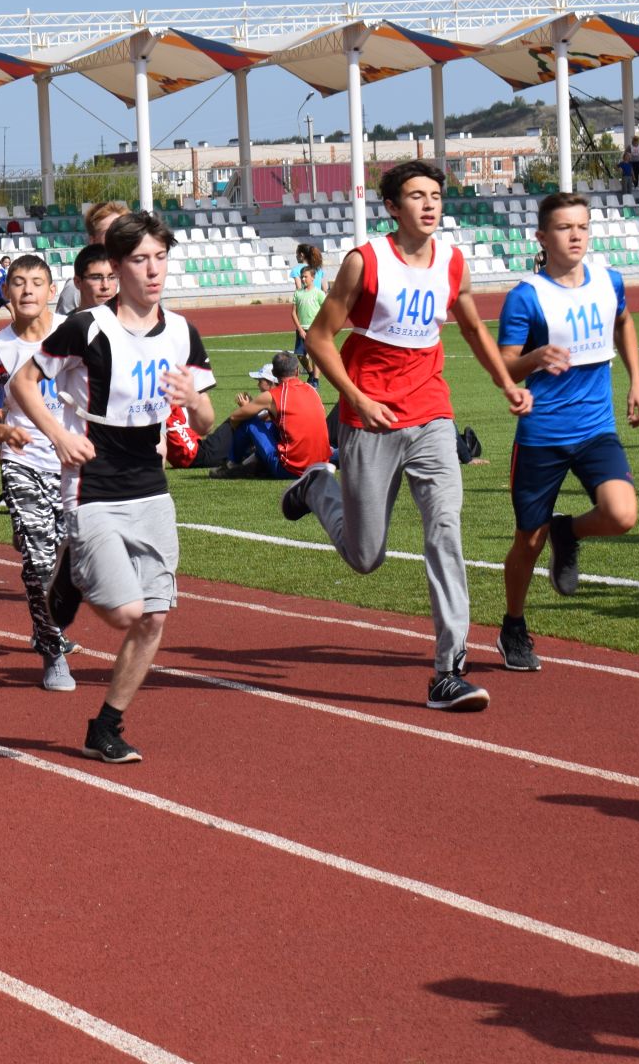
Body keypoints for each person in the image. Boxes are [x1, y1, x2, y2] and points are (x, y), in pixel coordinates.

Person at [280, 159, 532, 712]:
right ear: (393, 207)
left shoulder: (452, 262)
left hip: (431, 414)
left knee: (445, 528)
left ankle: (449, 670)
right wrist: (358, 398)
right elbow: (321, 340)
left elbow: (471, 327)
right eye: (416, 196)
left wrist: (506, 381)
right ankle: (317, 486)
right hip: (370, 419)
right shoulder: (363, 264)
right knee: (366, 556)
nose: (429, 204)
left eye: (435, 195)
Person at [8, 212, 216, 763]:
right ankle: (73, 569)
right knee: (125, 613)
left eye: (161, 258)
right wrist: (56, 435)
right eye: (141, 260)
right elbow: (22, 382)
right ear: (119, 267)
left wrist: (193, 400)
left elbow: (207, 424)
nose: (154, 270)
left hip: (150, 486)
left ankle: (106, 725)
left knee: (154, 618)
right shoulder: (88, 327)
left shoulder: (181, 332)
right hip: (93, 480)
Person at [493, 192, 639, 672]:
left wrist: (637, 382)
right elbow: (503, 367)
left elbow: (622, 322)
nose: (576, 234)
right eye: (564, 227)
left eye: (582, 226)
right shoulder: (527, 296)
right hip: (542, 434)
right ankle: (513, 626)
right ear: (542, 237)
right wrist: (535, 358)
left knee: (622, 514)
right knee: (527, 541)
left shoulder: (609, 282)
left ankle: (569, 529)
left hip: (595, 428)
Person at [0, 254, 76, 690]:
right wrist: (3, 434)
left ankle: (42, 612)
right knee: (39, 558)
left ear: (52, 291)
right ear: (6, 292)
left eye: (37, 282)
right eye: (18, 282)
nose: (28, 290)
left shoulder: (76, 334)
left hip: (72, 466)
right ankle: (53, 651)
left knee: (70, 564)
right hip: (23, 462)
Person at [209, 351, 331, 480]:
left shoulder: (273, 395)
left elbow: (235, 417)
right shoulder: (312, 390)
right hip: (322, 467)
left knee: (248, 421)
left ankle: (231, 464)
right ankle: (252, 459)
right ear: (297, 371)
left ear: (273, 374)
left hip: (290, 470)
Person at [55, 201, 126, 314]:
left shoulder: (136, 284)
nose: (117, 238)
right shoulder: (75, 289)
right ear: (92, 240)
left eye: (122, 232)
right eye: (109, 233)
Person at [291, 263, 324, 384]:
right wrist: (300, 329)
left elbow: (326, 310)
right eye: (302, 277)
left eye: (306, 276)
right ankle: (310, 374)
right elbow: (293, 313)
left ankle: (315, 380)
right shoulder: (298, 293)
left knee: (316, 355)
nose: (303, 279)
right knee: (300, 355)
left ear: (313, 278)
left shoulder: (318, 293)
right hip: (302, 329)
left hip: (315, 330)